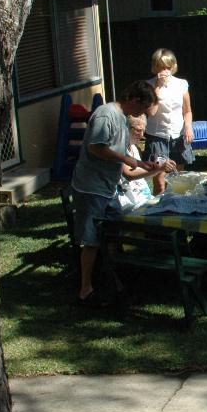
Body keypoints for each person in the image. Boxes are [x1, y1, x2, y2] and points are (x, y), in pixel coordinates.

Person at [71, 81, 168, 305]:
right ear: (134, 99)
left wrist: (144, 164)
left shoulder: (123, 119)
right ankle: (85, 289)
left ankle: (113, 279)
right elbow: (96, 147)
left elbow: (122, 158)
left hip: (109, 187)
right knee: (91, 240)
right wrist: (125, 158)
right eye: (143, 108)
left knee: (114, 232)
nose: (143, 114)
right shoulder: (106, 115)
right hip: (92, 188)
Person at [144, 48, 194, 195]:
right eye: (162, 66)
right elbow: (151, 112)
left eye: (168, 67)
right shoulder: (148, 85)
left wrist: (188, 126)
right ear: (155, 67)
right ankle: (158, 211)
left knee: (178, 182)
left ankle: (178, 211)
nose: (166, 70)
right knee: (160, 183)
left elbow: (187, 110)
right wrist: (158, 86)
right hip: (157, 136)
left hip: (178, 135)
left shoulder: (181, 84)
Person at [117, 113, 164, 209]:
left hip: (142, 197)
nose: (142, 135)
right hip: (128, 203)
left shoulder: (134, 148)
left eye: (143, 131)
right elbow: (129, 175)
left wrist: (156, 169)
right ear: (125, 128)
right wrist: (158, 169)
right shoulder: (118, 148)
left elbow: (141, 178)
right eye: (138, 130)